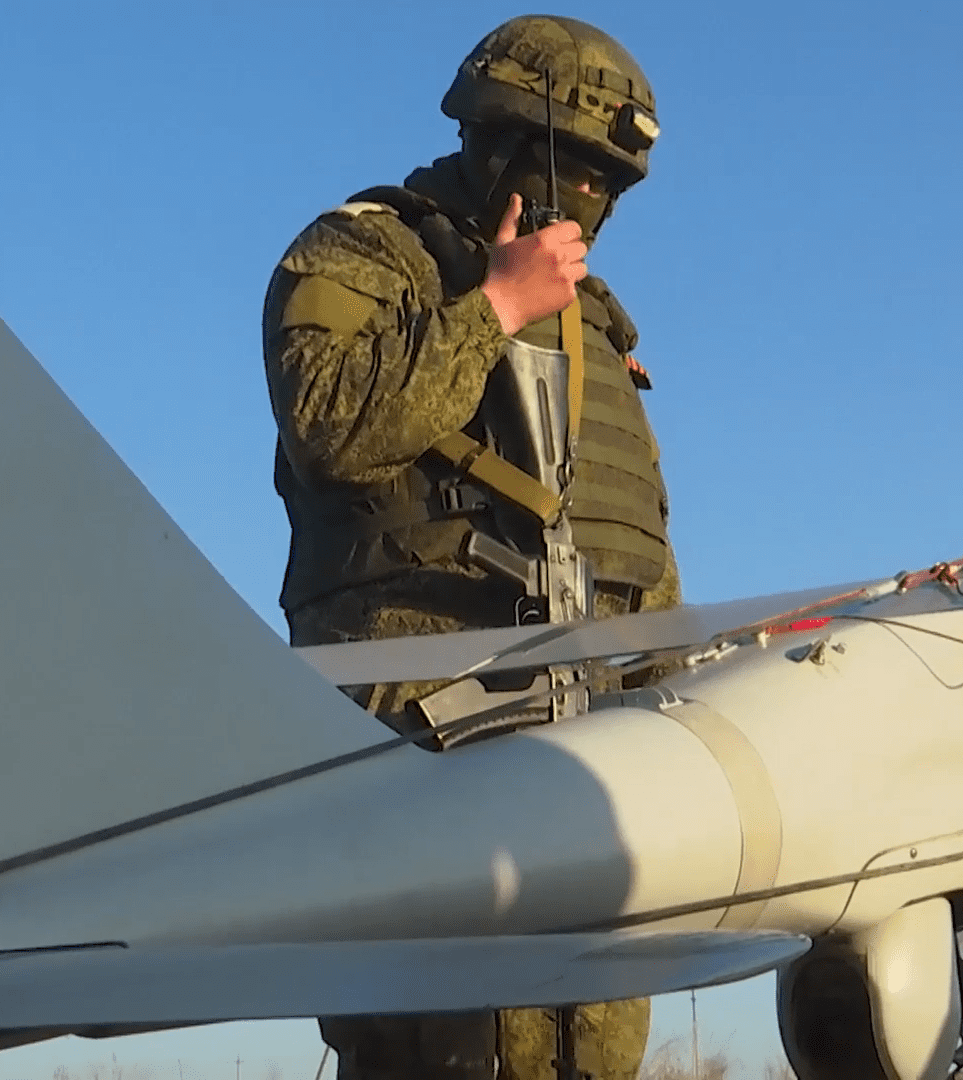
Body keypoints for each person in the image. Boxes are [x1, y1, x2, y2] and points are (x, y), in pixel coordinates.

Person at [260, 15, 678, 1080]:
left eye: (605, 182)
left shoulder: (597, 326)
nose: (585, 199)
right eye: (567, 167)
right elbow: (332, 425)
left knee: (590, 1042)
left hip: (592, 766)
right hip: (420, 745)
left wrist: (673, 712)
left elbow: (633, 542)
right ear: (493, 140)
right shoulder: (364, 251)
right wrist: (493, 305)